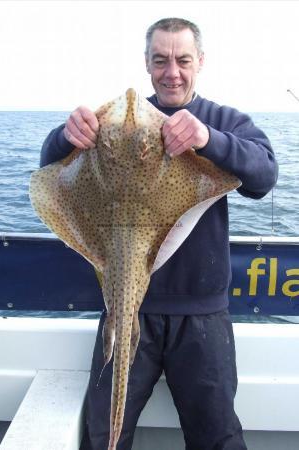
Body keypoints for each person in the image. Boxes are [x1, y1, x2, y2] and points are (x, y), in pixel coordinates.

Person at [40, 18, 278, 450]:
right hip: (125, 307)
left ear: (200, 62)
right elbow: (52, 171)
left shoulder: (223, 120)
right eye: (160, 60)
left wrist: (208, 140)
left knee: (218, 437)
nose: (172, 71)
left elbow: (264, 176)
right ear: (146, 64)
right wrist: (64, 137)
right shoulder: (107, 129)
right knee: (102, 436)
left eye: (183, 60)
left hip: (202, 316)